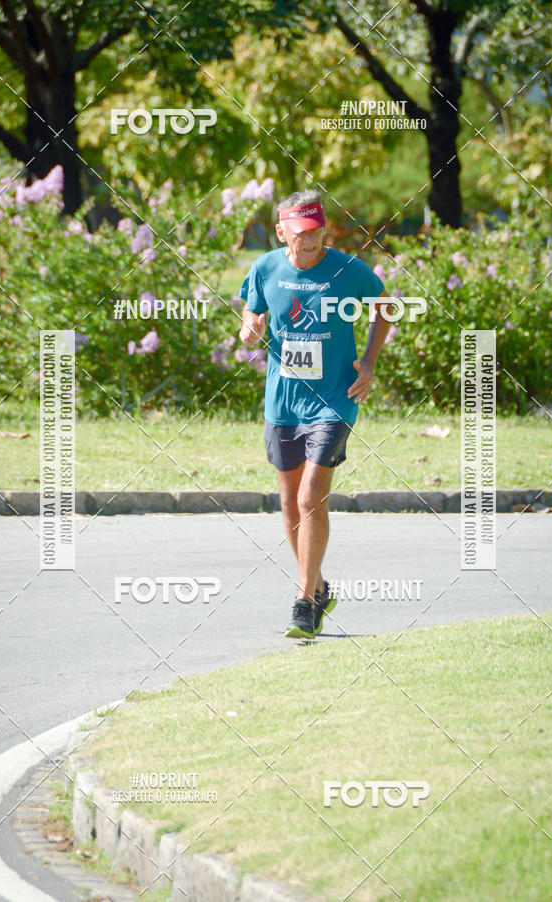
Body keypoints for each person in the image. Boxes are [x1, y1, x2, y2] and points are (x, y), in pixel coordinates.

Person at [238, 189, 392, 639]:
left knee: (310, 498)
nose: (306, 245)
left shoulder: (347, 270)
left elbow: (385, 308)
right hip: (283, 401)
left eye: (315, 236)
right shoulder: (266, 267)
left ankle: (304, 602)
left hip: (334, 399)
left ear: (324, 231)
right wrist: (250, 331)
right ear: (281, 230)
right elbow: (250, 317)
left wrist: (369, 362)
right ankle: (319, 586)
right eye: (298, 236)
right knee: (289, 502)